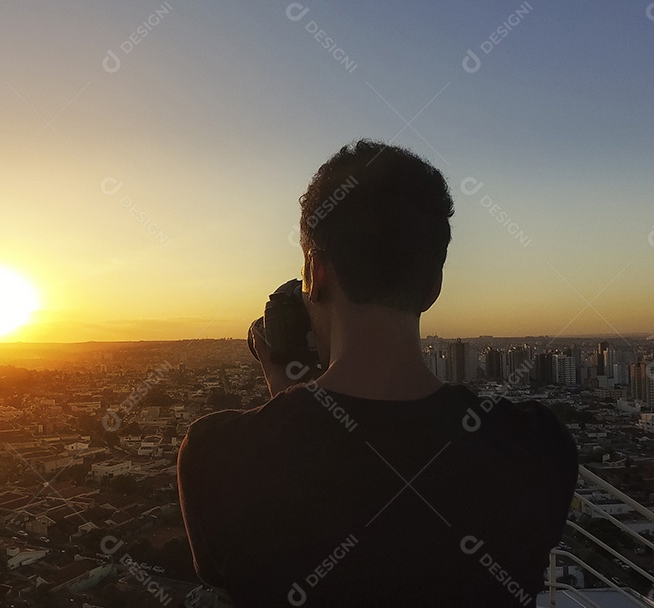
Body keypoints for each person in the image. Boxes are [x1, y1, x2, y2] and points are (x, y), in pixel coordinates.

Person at [176, 140, 579, 607]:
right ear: (433, 285)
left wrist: (288, 401)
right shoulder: (537, 448)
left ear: (315, 273)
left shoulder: (216, 456)